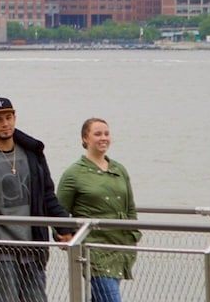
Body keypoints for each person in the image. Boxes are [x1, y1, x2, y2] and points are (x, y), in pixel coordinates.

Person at [0, 97, 75, 302]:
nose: (5, 123)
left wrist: (64, 228)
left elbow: (47, 195)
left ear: (15, 118)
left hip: (32, 244)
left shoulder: (32, 153)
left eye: (9, 117)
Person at [58, 118, 140, 302]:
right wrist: (65, 236)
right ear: (85, 138)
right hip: (94, 249)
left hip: (121, 246)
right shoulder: (74, 173)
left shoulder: (119, 169)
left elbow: (130, 207)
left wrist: (133, 233)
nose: (103, 138)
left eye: (106, 133)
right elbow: (59, 209)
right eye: (97, 134)